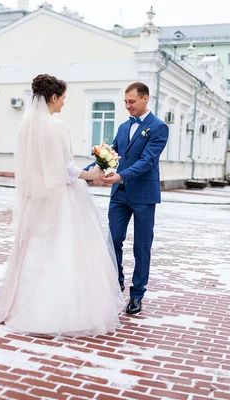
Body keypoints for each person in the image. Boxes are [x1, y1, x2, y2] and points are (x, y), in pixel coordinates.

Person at [0, 74, 125, 336]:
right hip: (61, 199)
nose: (63, 104)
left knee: (38, 248)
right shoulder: (58, 126)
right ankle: (65, 312)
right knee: (65, 248)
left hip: (36, 198)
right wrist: (93, 174)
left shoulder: (25, 125)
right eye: (63, 98)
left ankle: (27, 307)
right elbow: (67, 169)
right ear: (52, 97)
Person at [86, 82, 169, 315]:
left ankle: (137, 293)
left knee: (142, 246)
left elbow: (147, 161)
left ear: (145, 99)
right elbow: (111, 155)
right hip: (120, 196)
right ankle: (117, 281)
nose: (127, 106)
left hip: (143, 195)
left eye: (131, 102)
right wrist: (82, 173)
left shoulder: (158, 127)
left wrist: (120, 176)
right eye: (125, 102)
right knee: (113, 241)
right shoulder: (123, 127)